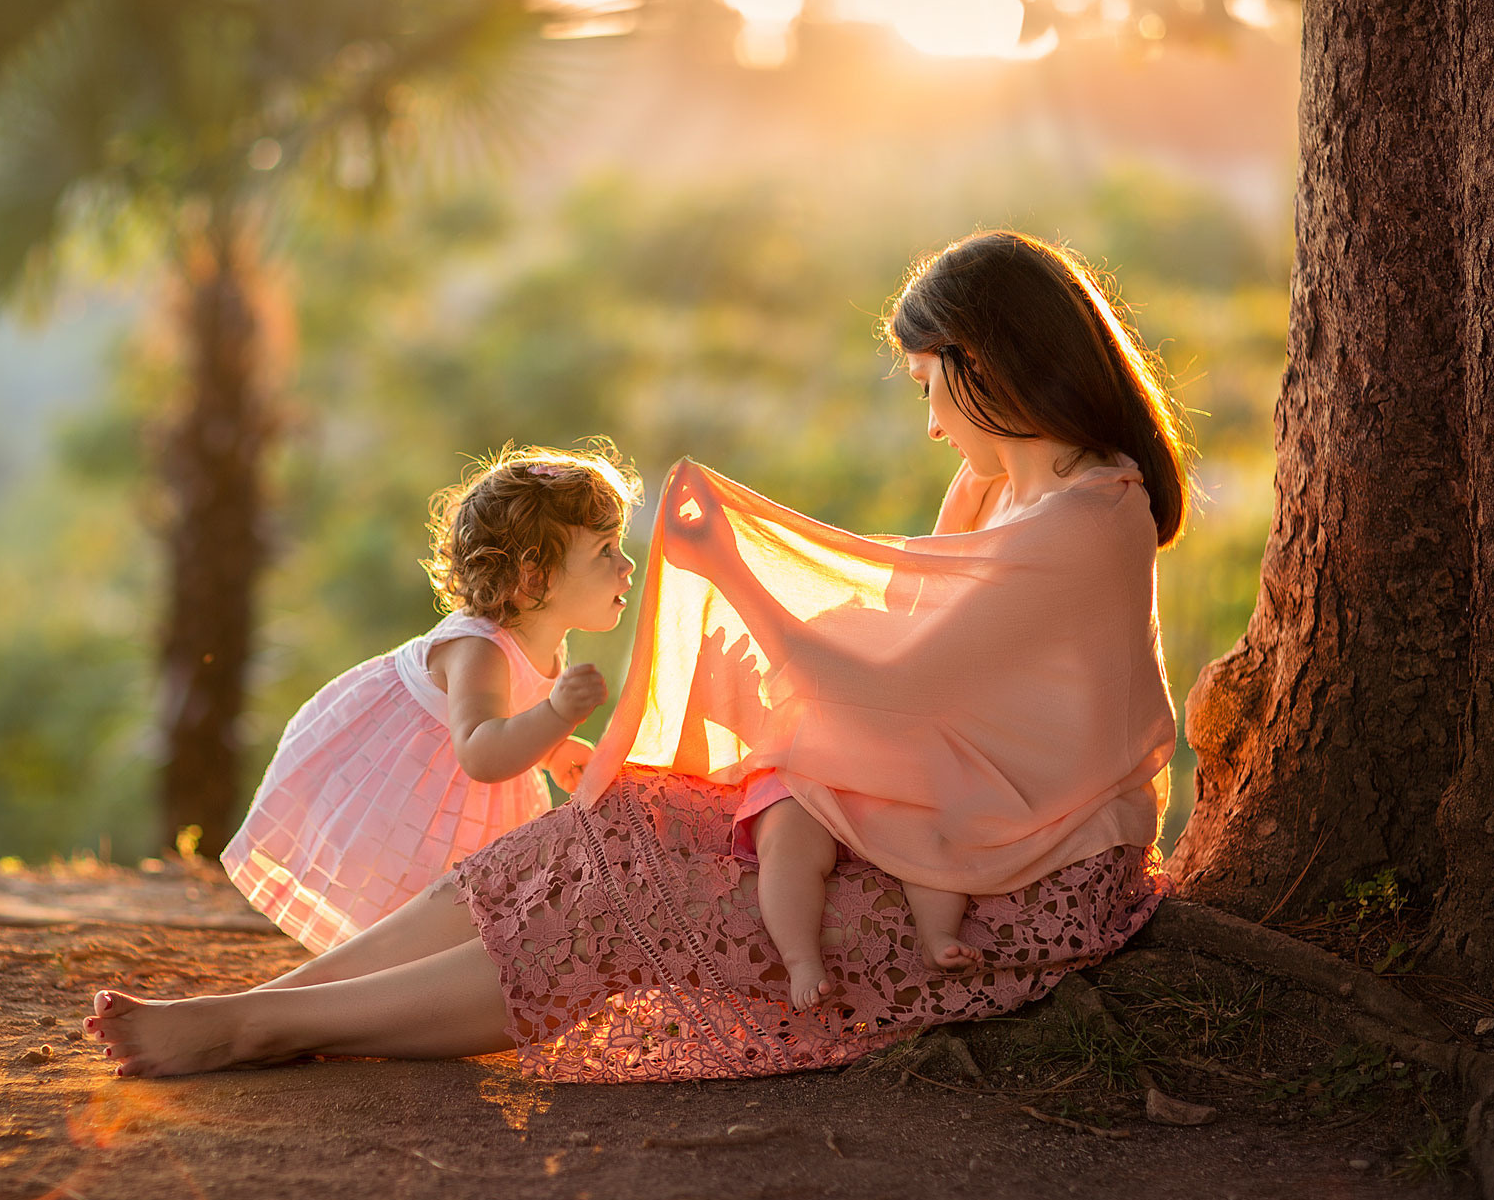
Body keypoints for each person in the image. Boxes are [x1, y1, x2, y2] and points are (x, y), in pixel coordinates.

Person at [88, 231, 1191, 1081]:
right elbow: (906, 642)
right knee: (614, 819)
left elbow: (894, 681)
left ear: (980, 361)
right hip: (941, 818)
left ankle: (263, 1026)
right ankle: (275, 1004)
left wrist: (735, 570)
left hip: (1022, 880)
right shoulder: (1000, 485)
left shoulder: (1086, 518)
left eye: (925, 388)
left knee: (637, 897)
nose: (931, 425)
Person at [219, 442, 641, 954]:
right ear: (534, 577)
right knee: (401, 902)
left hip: (465, 796)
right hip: (408, 784)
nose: (627, 565)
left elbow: (509, 717)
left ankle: (409, 977)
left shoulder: (546, 638)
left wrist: (553, 750)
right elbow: (482, 752)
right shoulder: (478, 649)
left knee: (454, 908)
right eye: (605, 551)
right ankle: (371, 978)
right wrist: (556, 715)